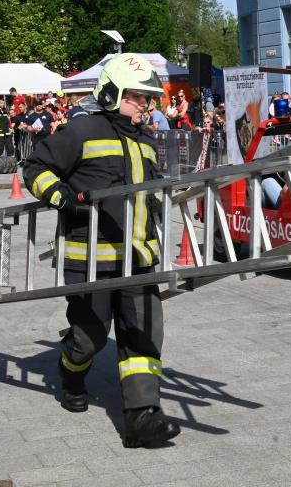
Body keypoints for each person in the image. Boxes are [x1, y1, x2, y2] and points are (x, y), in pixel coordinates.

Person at [23, 53, 181, 448]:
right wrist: (59, 195)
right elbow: (34, 167)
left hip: (138, 258)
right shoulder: (82, 131)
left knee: (143, 334)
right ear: (111, 92)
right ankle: (71, 371)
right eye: (137, 97)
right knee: (89, 338)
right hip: (90, 259)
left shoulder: (145, 141)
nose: (146, 105)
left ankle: (142, 418)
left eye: (149, 98)